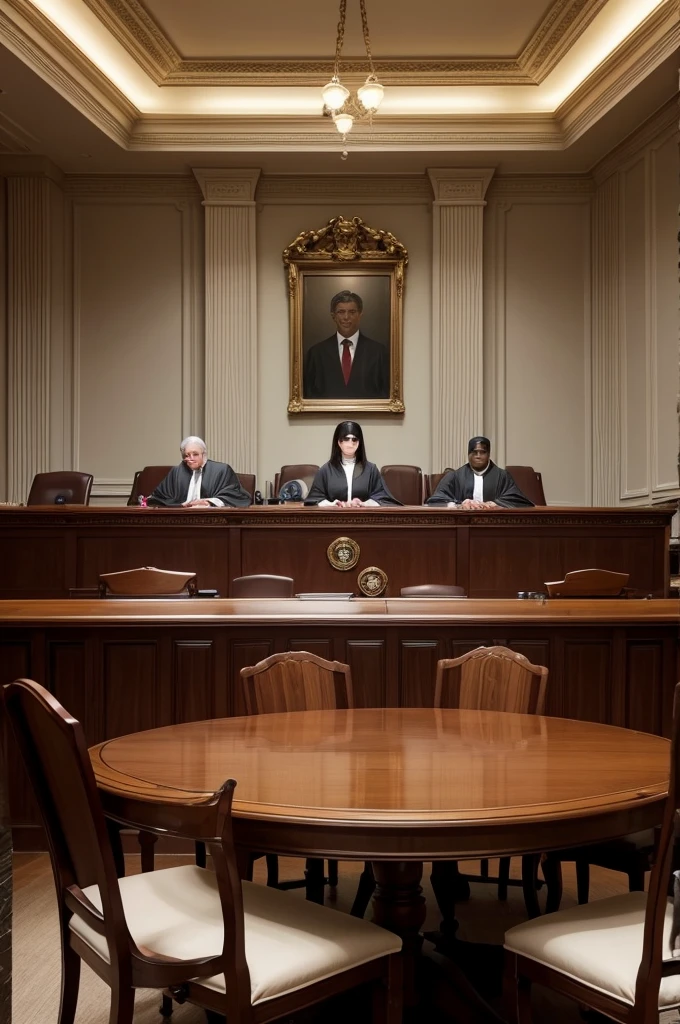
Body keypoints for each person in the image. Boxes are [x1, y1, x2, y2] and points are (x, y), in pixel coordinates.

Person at [303, 290, 390, 400]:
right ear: (333, 316)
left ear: (360, 315)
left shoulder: (379, 352)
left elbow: (386, 394)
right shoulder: (316, 353)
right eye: (341, 312)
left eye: (352, 312)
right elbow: (309, 396)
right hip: (325, 416)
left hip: (369, 416)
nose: (346, 317)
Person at [305, 421, 400, 507]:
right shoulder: (325, 470)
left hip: (364, 520)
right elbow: (313, 500)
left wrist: (364, 504)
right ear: (339, 442)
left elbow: (383, 498)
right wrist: (332, 505)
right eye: (346, 439)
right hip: (334, 520)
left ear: (359, 443)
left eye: (354, 439)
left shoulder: (371, 469)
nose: (351, 443)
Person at [426, 436, 534, 509]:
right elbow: (435, 500)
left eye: (482, 452)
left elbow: (518, 500)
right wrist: (459, 504)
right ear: (468, 455)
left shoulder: (502, 476)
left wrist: (496, 503)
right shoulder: (454, 476)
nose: (478, 456)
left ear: (489, 454)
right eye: (474, 452)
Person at [147, 436, 251, 508]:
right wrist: (179, 505)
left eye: (195, 454)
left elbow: (237, 496)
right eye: (187, 455)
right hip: (180, 518)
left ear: (204, 454)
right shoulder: (176, 472)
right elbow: (159, 496)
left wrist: (208, 502)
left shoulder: (222, 470)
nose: (190, 458)